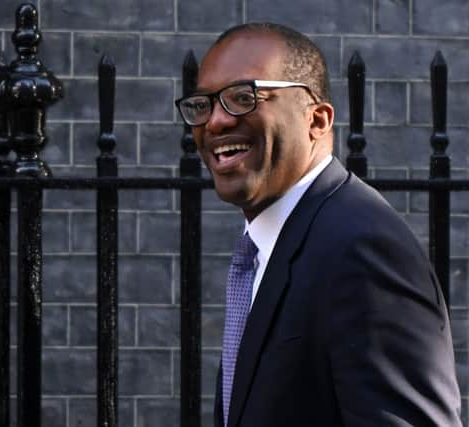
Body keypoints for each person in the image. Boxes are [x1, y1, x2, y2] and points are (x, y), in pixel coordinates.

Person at [175, 23, 462, 427]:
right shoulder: (274, 245)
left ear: (318, 120)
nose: (216, 122)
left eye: (243, 97)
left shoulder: (361, 247)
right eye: (202, 105)